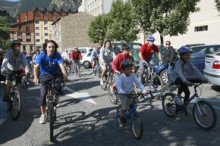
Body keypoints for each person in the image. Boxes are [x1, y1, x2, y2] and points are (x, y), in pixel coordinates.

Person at [33, 40, 68, 124]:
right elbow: (36, 67)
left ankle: (57, 98)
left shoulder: (57, 55)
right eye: (49, 47)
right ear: (46, 48)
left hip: (55, 74)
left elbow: (61, 66)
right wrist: (35, 77)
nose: (51, 49)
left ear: (55, 48)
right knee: (42, 95)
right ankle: (42, 115)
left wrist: (65, 76)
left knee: (59, 87)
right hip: (44, 76)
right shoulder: (41, 56)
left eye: (53, 47)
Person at [116, 60, 148, 125]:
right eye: (127, 69)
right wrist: (121, 91)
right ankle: (122, 115)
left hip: (130, 91)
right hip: (123, 93)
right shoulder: (121, 77)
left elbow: (138, 83)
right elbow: (118, 86)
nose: (130, 70)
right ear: (123, 70)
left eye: (130, 69)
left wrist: (143, 90)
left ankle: (131, 110)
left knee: (135, 100)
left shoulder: (132, 75)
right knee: (124, 106)